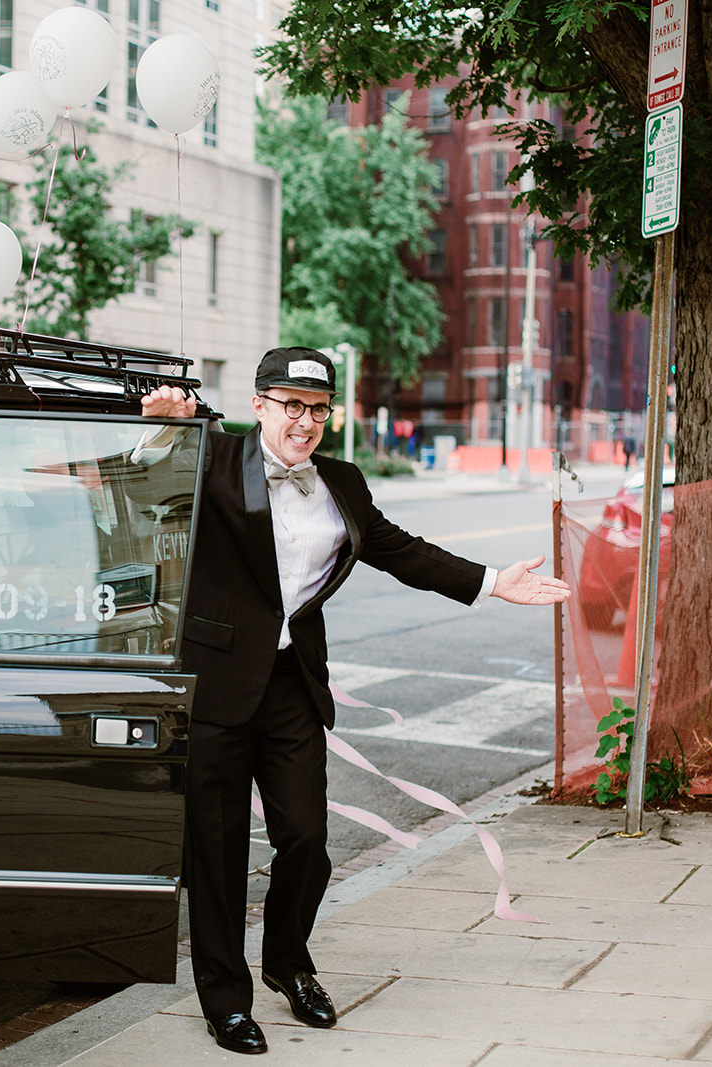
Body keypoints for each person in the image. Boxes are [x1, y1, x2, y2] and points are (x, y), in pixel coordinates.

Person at [140, 348, 569, 1055]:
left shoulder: (340, 481)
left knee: (307, 838)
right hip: (215, 686)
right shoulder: (210, 460)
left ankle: (286, 959)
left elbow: (401, 549)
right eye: (289, 405)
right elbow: (141, 494)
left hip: (290, 686)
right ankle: (224, 998)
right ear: (260, 405)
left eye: (316, 408)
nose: (303, 421)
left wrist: (494, 581)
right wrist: (161, 432)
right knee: (213, 853)